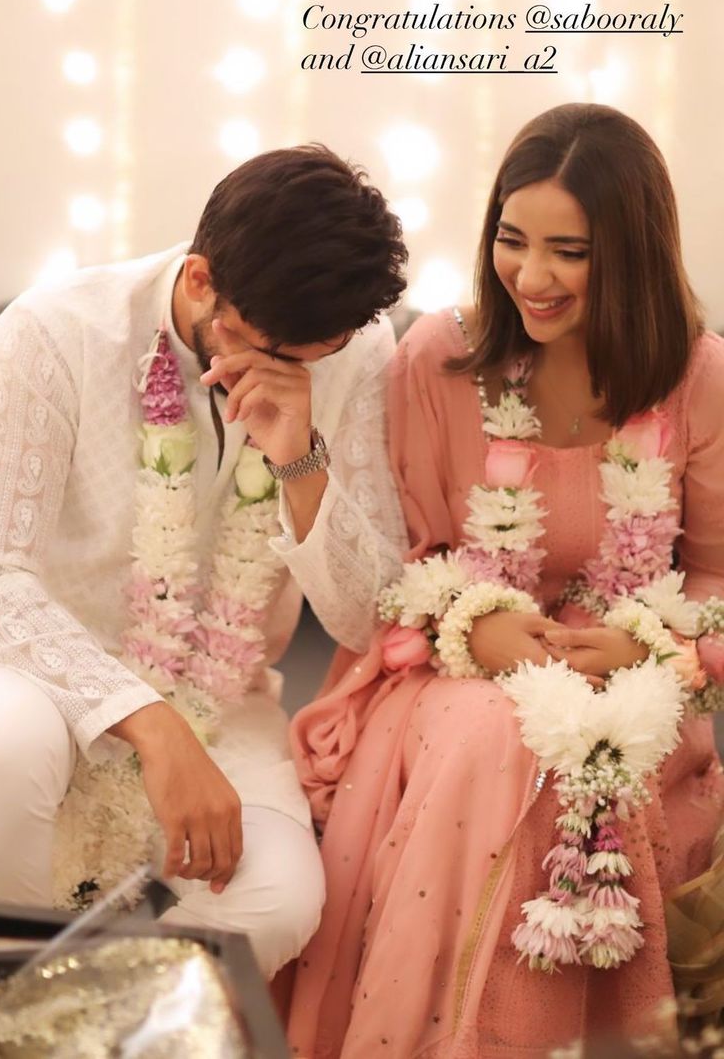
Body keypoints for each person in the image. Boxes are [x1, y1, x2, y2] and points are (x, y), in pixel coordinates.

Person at [287, 105, 724, 1057]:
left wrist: (653, 644)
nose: (531, 276)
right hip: (454, 674)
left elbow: (715, 577)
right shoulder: (437, 362)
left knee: (604, 756)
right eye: (511, 240)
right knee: (501, 734)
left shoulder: (696, 374)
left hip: (635, 678)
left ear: (634, 256)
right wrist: (473, 625)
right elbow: (406, 564)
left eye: (569, 251)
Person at [0, 144, 409, 979]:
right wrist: (149, 724)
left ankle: (87, 1019)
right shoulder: (54, 333)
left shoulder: (357, 357)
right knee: (1, 748)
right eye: (266, 348)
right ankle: (17, 1000)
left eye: (312, 358)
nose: (286, 373)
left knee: (283, 898)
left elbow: (368, 614)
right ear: (198, 283)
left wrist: (301, 458)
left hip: (227, 701)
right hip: (45, 683)